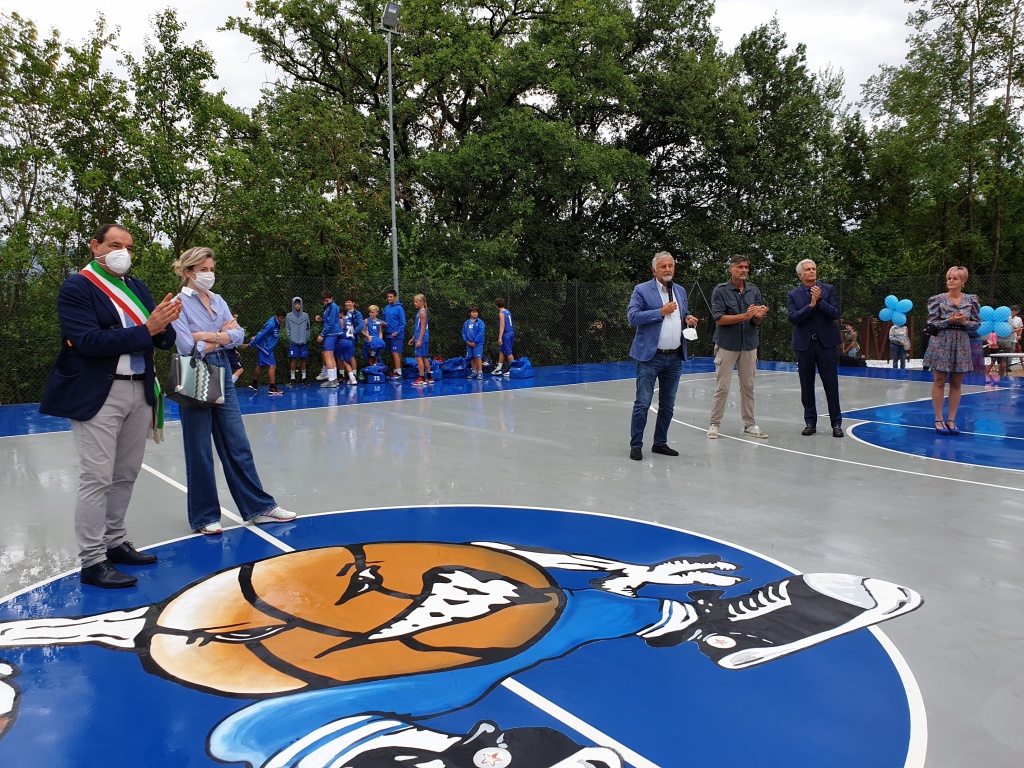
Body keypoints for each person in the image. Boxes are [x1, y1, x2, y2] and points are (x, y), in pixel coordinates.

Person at [38, 223, 181, 589]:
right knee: (97, 477)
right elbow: (86, 340)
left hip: (139, 390)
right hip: (100, 393)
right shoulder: (77, 287)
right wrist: (147, 329)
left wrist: (164, 326)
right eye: (115, 245)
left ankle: (114, 543)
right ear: (95, 246)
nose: (123, 253)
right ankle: (92, 560)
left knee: (125, 474)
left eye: (129, 247)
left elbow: (161, 338)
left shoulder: (136, 287)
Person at [170, 247, 297, 534]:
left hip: (222, 369)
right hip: (194, 371)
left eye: (211, 269)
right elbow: (188, 346)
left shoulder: (218, 300)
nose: (209, 274)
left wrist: (210, 336)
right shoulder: (179, 303)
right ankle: (204, 517)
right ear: (188, 271)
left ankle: (258, 508)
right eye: (203, 269)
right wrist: (221, 337)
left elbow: (238, 336)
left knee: (237, 441)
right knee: (199, 446)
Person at [627, 251, 699, 460]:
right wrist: (660, 311)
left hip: (674, 357)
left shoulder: (680, 290)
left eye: (670, 266)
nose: (667, 270)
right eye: (663, 267)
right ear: (654, 270)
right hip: (650, 357)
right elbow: (632, 317)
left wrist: (688, 318)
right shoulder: (641, 290)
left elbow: (681, 314)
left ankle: (660, 443)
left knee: (668, 404)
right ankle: (636, 445)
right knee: (643, 402)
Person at [707, 255, 768, 439]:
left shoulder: (753, 291)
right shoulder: (720, 291)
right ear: (731, 269)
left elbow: (756, 321)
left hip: (749, 345)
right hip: (727, 345)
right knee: (723, 387)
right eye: (740, 267)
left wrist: (759, 314)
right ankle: (714, 424)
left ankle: (750, 424)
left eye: (746, 267)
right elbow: (719, 318)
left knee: (748, 386)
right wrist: (745, 316)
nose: (744, 270)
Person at [786, 259, 844, 437]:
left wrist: (819, 302)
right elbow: (793, 318)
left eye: (814, 269)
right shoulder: (793, 295)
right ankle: (810, 422)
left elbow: (836, 312)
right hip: (804, 345)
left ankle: (836, 424)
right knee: (807, 385)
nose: (812, 272)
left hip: (825, 344)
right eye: (808, 270)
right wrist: (810, 306)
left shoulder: (828, 290)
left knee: (831, 384)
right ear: (800, 275)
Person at [922, 266, 981, 435]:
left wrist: (964, 323)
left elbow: (977, 323)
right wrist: (949, 320)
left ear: (963, 281)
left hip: (961, 341)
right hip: (941, 341)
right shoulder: (937, 299)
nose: (950, 281)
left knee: (956, 383)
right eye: (949, 278)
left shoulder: (971, 300)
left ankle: (951, 420)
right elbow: (932, 324)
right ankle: (939, 419)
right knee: (939, 381)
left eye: (955, 278)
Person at [244, 310, 286, 395]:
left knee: (262, 365)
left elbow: (263, 332)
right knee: (272, 365)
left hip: (266, 347)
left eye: (284, 318)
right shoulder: (271, 324)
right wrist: (250, 345)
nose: (283, 320)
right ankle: (272, 387)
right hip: (265, 347)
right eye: (281, 318)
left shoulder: (276, 322)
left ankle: (254, 383)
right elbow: (262, 334)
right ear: (276, 316)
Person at [316, 290, 343, 388]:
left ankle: (331, 380)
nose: (325, 302)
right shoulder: (330, 307)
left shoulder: (332, 307)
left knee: (327, 354)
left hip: (331, 333)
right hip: (332, 332)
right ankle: (334, 379)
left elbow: (331, 323)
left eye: (327, 300)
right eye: (324, 301)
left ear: (331, 298)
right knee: (330, 355)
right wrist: (322, 320)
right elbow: (329, 321)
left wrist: (322, 335)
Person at [381, 289, 406, 381]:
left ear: (395, 297)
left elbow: (403, 323)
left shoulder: (399, 308)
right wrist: (383, 324)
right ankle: (395, 371)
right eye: (388, 297)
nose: (389, 298)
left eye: (391, 297)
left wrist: (398, 332)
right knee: (392, 353)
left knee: (395, 353)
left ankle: (399, 373)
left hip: (397, 335)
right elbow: (384, 320)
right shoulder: (386, 308)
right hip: (388, 334)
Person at [408, 293, 433, 387]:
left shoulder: (422, 313)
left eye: (416, 301)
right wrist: (414, 338)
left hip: (421, 338)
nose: (415, 303)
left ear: (422, 302)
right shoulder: (421, 312)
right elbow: (418, 328)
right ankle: (429, 377)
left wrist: (419, 340)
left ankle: (421, 378)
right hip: (421, 337)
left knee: (419, 358)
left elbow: (423, 327)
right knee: (424, 357)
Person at [286, 297, 310, 386]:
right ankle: (292, 378)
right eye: (295, 304)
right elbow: (287, 329)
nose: (297, 305)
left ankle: (304, 377)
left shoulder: (305, 315)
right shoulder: (289, 316)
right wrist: (291, 338)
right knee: (294, 359)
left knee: (303, 359)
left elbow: (308, 328)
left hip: (303, 342)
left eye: (299, 304)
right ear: (293, 305)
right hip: (293, 342)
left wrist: (306, 338)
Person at [343, 297, 364, 379]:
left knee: (351, 356)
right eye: (346, 302)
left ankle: (354, 375)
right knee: (341, 356)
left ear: (353, 303)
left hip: (351, 338)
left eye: (349, 302)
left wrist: (354, 332)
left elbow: (361, 325)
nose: (347, 304)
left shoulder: (357, 313)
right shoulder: (343, 313)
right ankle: (342, 375)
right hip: (342, 337)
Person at [492, 298, 515, 375]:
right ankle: (499, 368)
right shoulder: (507, 311)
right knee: (502, 351)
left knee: (508, 352)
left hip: (506, 334)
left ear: (496, 306)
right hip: (511, 332)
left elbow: (502, 326)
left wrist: (500, 337)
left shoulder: (501, 313)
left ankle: (513, 369)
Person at [462, 305, 485, 379]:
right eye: (473, 312)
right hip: (469, 343)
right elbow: (463, 332)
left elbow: (481, 333)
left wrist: (475, 342)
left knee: (477, 357)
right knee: (472, 358)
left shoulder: (480, 322)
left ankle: (480, 372)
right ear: (470, 313)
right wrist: (467, 341)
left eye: (476, 312)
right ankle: (474, 372)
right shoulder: (466, 323)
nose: (475, 313)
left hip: (477, 343)